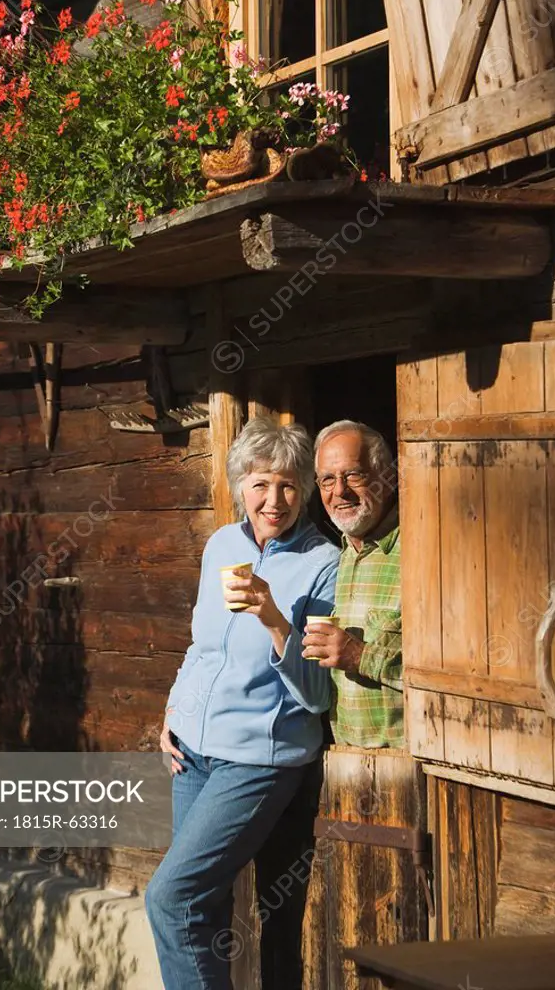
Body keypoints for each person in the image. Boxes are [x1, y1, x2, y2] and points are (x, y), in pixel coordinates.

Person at [145, 417, 339, 990]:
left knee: (171, 896)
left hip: (258, 760)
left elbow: (316, 694)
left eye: (287, 485)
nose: (273, 500)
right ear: (240, 488)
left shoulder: (322, 562)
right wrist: (173, 712)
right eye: (260, 484)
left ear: (303, 489)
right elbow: (202, 645)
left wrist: (275, 616)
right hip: (192, 754)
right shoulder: (222, 545)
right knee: (199, 908)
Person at [303, 420, 403, 748]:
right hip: (346, 763)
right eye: (327, 480)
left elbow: (457, 675)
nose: (339, 491)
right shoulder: (342, 554)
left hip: (411, 769)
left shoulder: (420, 551)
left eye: (353, 475)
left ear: (387, 477)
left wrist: (360, 656)